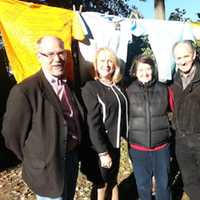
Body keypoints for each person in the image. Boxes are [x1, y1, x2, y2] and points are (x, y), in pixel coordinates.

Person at [2, 35, 84, 200]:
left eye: (61, 53)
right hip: (47, 169)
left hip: (71, 160)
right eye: (50, 54)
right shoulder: (25, 91)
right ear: (39, 57)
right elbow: (12, 137)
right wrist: (37, 160)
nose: (57, 59)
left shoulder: (68, 85)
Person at [81, 48, 128, 200]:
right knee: (101, 184)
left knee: (113, 180)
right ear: (95, 65)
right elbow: (93, 123)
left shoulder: (118, 87)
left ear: (115, 65)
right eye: (102, 61)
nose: (106, 64)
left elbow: (124, 116)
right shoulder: (91, 88)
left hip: (116, 145)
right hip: (100, 146)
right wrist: (102, 152)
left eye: (110, 61)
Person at [127, 55, 172, 200]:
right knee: (142, 186)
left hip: (161, 148)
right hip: (138, 149)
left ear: (153, 70)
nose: (145, 72)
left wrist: (168, 130)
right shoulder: (128, 91)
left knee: (163, 185)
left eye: (148, 68)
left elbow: (174, 113)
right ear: (135, 71)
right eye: (141, 69)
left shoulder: (165, 90)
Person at [171, 40, 200, 199]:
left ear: (194, 55)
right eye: (178, 58)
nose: (182, 61)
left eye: (186, 56)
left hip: (199, 137)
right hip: (181, 139)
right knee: (189, 181)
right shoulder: (173, 81)